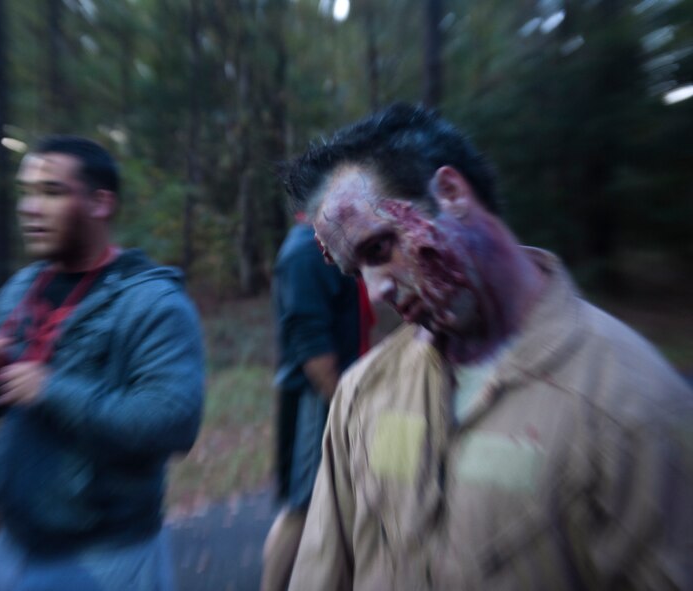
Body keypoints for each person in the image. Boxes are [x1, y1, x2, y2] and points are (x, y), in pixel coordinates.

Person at [281, 102, 693, 590]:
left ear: (451, 192)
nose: (375, 291)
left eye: (379, 249)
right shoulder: (361, 394)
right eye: (356, 272)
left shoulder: (634, 409)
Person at [0, 136, 205, 590]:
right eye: (26, 192)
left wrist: (50, 390)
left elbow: (173, 423)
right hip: (11, 545)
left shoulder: (152, 301)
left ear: (99, 203)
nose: (30, 208)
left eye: (51, 192)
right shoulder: (20, 288)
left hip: (107, 558)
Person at [261, 213, 373, 591]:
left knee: (340, 505)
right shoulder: (306, 252)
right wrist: (348, 408)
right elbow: (312, 346)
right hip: (317, 396)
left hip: (342, 390)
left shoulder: (335, 244)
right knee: (304, 507)